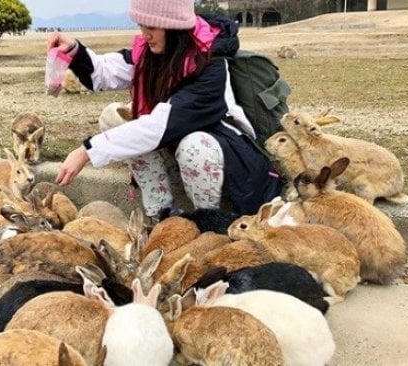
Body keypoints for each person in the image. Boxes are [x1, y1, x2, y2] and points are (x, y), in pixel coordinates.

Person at [50, 0, 282, 221]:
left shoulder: (210, 64)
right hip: (173, 143)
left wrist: (87, 150)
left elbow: (159, 126)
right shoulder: (152, 53)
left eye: (152, 27)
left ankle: (211, 222)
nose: (145, 34)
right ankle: (161, 214)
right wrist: (74, 51)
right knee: (113, 116)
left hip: (217, 150)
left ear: (174, 26)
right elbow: (105, 72)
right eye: (141, 25)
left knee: (194, 146)